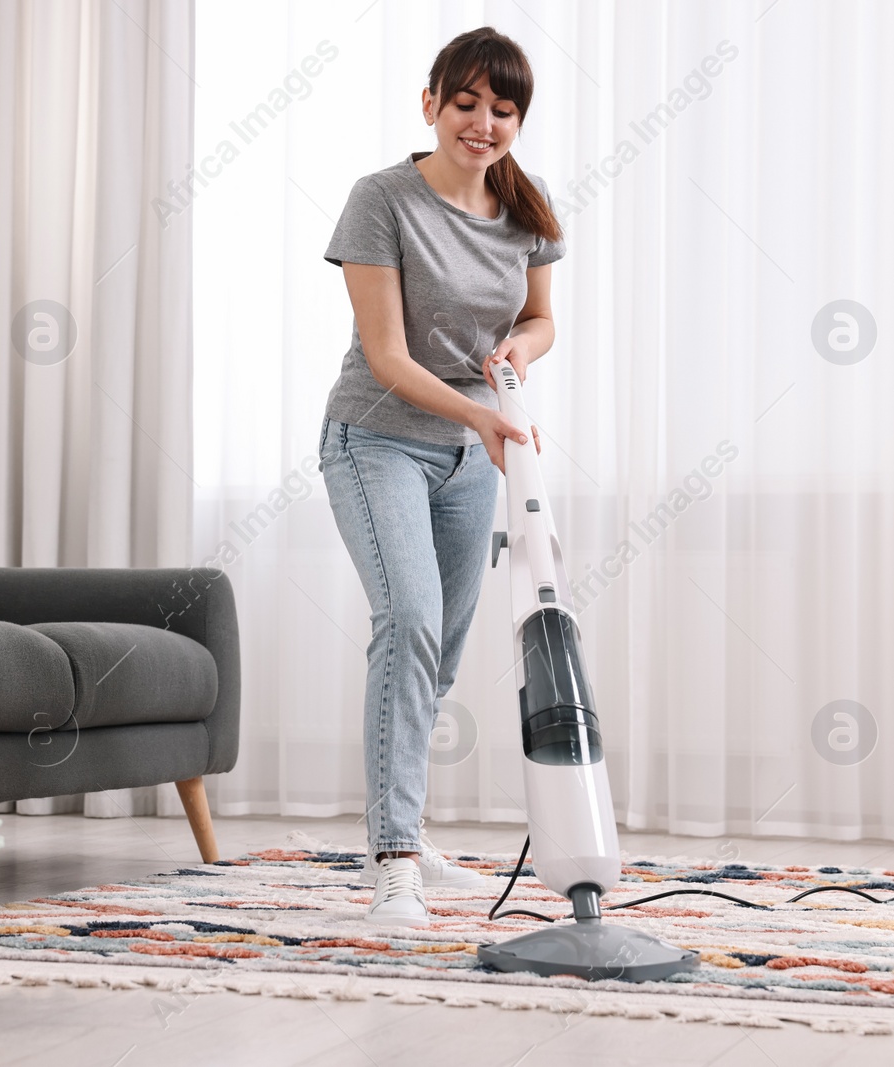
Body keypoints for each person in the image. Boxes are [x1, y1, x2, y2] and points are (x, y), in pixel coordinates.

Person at [316, 26, 566, 927]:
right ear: (430, 104)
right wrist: (479, 413)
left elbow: (541, 320)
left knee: (442, 649)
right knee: (409, 621)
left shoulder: (525, 209)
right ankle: (392, 863)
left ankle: (411, 832)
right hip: (377, 439)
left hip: (472, 454)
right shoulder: (381, 200)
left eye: (504, 110)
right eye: (467, 103)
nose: (484, 123)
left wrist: (515, 353)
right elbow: (385, 354)